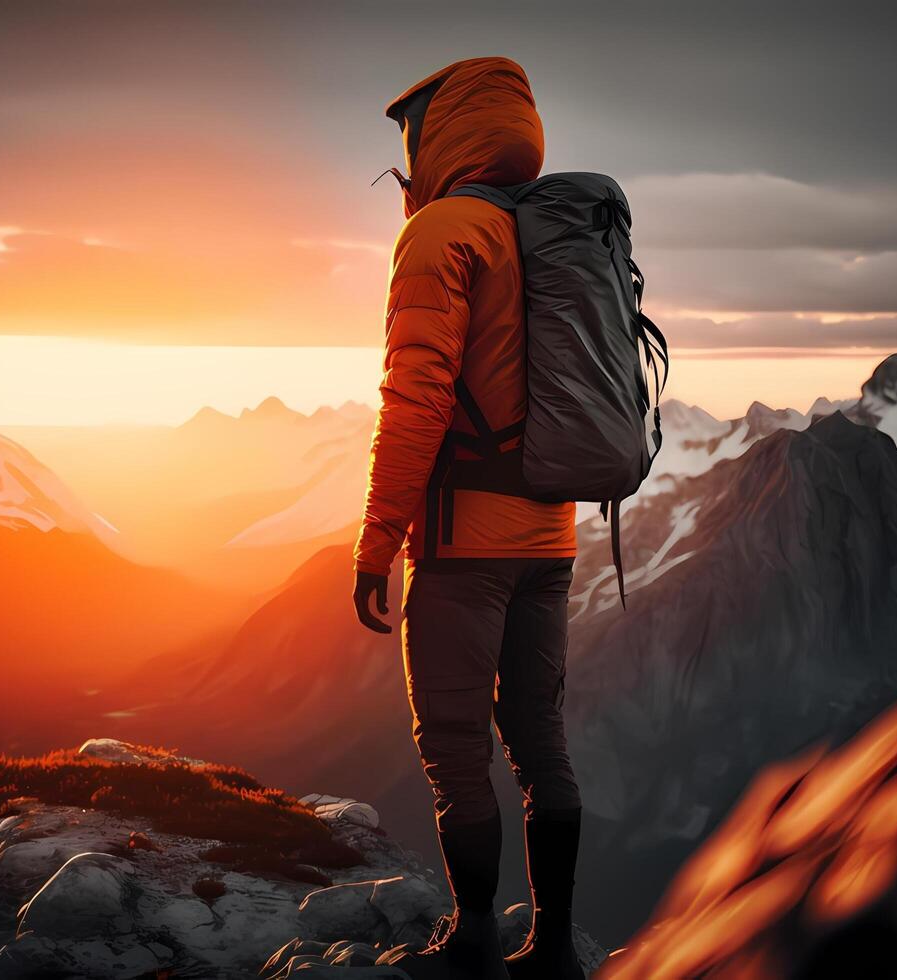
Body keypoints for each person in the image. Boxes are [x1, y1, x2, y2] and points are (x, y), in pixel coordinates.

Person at [352, 57, 584, 980]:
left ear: (437, 137)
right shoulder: (559, 232)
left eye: (409, 143)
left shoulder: (445, 231)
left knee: (455, 749)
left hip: (462, 544)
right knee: (541, 741)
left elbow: (414, 401)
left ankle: (476, 942)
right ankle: (557, 949)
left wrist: (377, 542)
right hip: (552, 532)